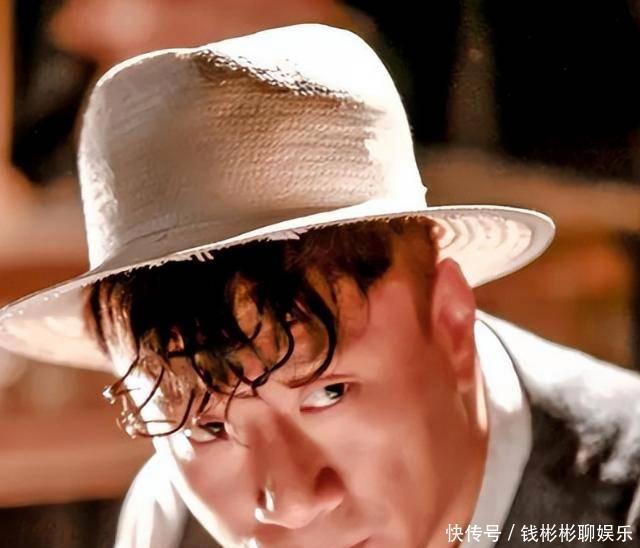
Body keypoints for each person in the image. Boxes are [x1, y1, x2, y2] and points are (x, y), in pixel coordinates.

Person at [1, 24, 639, 548]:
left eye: (329, 392)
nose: (291, 502)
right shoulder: (171, 526)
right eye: (208, 427)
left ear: (449, 320)